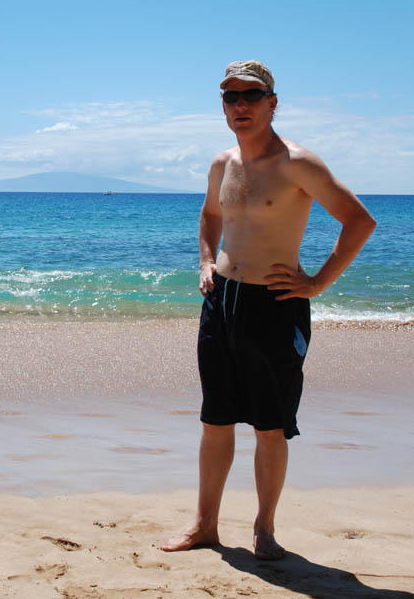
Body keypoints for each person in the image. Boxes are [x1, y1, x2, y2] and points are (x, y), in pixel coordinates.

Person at [162, 60, 376, 560]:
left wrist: (318, 283)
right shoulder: (223, 163)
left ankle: (265, 529)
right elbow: (210, 214)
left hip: (275, 306)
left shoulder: (298, 164)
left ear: (272, 103)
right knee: (215, 420)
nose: (240, 105)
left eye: (251, 96)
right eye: (230, 96)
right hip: (221, 302)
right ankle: (205, 525)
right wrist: (205, 261)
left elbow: (359, 221)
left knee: (270, 425)